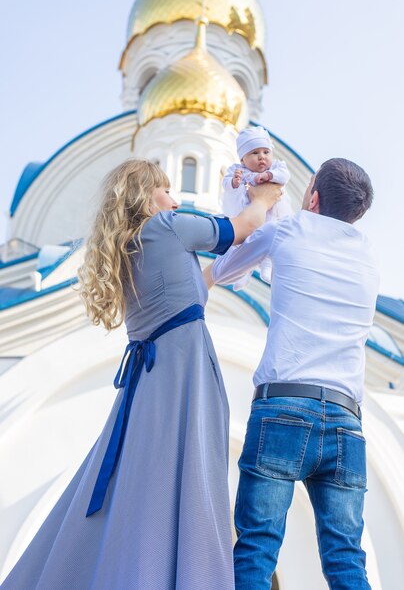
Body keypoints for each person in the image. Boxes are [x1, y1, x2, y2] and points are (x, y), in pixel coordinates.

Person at [0, 159, 282, 590]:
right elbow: (240, 227)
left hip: (150, 383)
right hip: (182, 375)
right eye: (165, 190)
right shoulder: (168, 225)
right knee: (185, 482)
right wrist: (264, 197)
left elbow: (196, 285)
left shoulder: (133, 247)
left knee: (137, 483)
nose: (174, 198)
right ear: (145, 196)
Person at [204, 158, 379, 590]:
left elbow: (225, 270)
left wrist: (257, 202)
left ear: (314, 197)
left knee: (256, 549)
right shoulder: (368, 258)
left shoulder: (288, 231)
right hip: (345, 422)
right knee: (346, 560)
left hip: (283, 407)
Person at [221, 125, 292, 289]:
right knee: (243, 243)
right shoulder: (238, 170)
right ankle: (242, 273)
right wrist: (234, 182)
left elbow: (284, 175)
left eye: (266, 152)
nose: (261, 157)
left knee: (271, 236)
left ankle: (267, 267)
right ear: (242, 159)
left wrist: (269, 175)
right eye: (254, 153)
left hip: (272, 212)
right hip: (248, 214)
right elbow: (227, 182)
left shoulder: (275, 167)